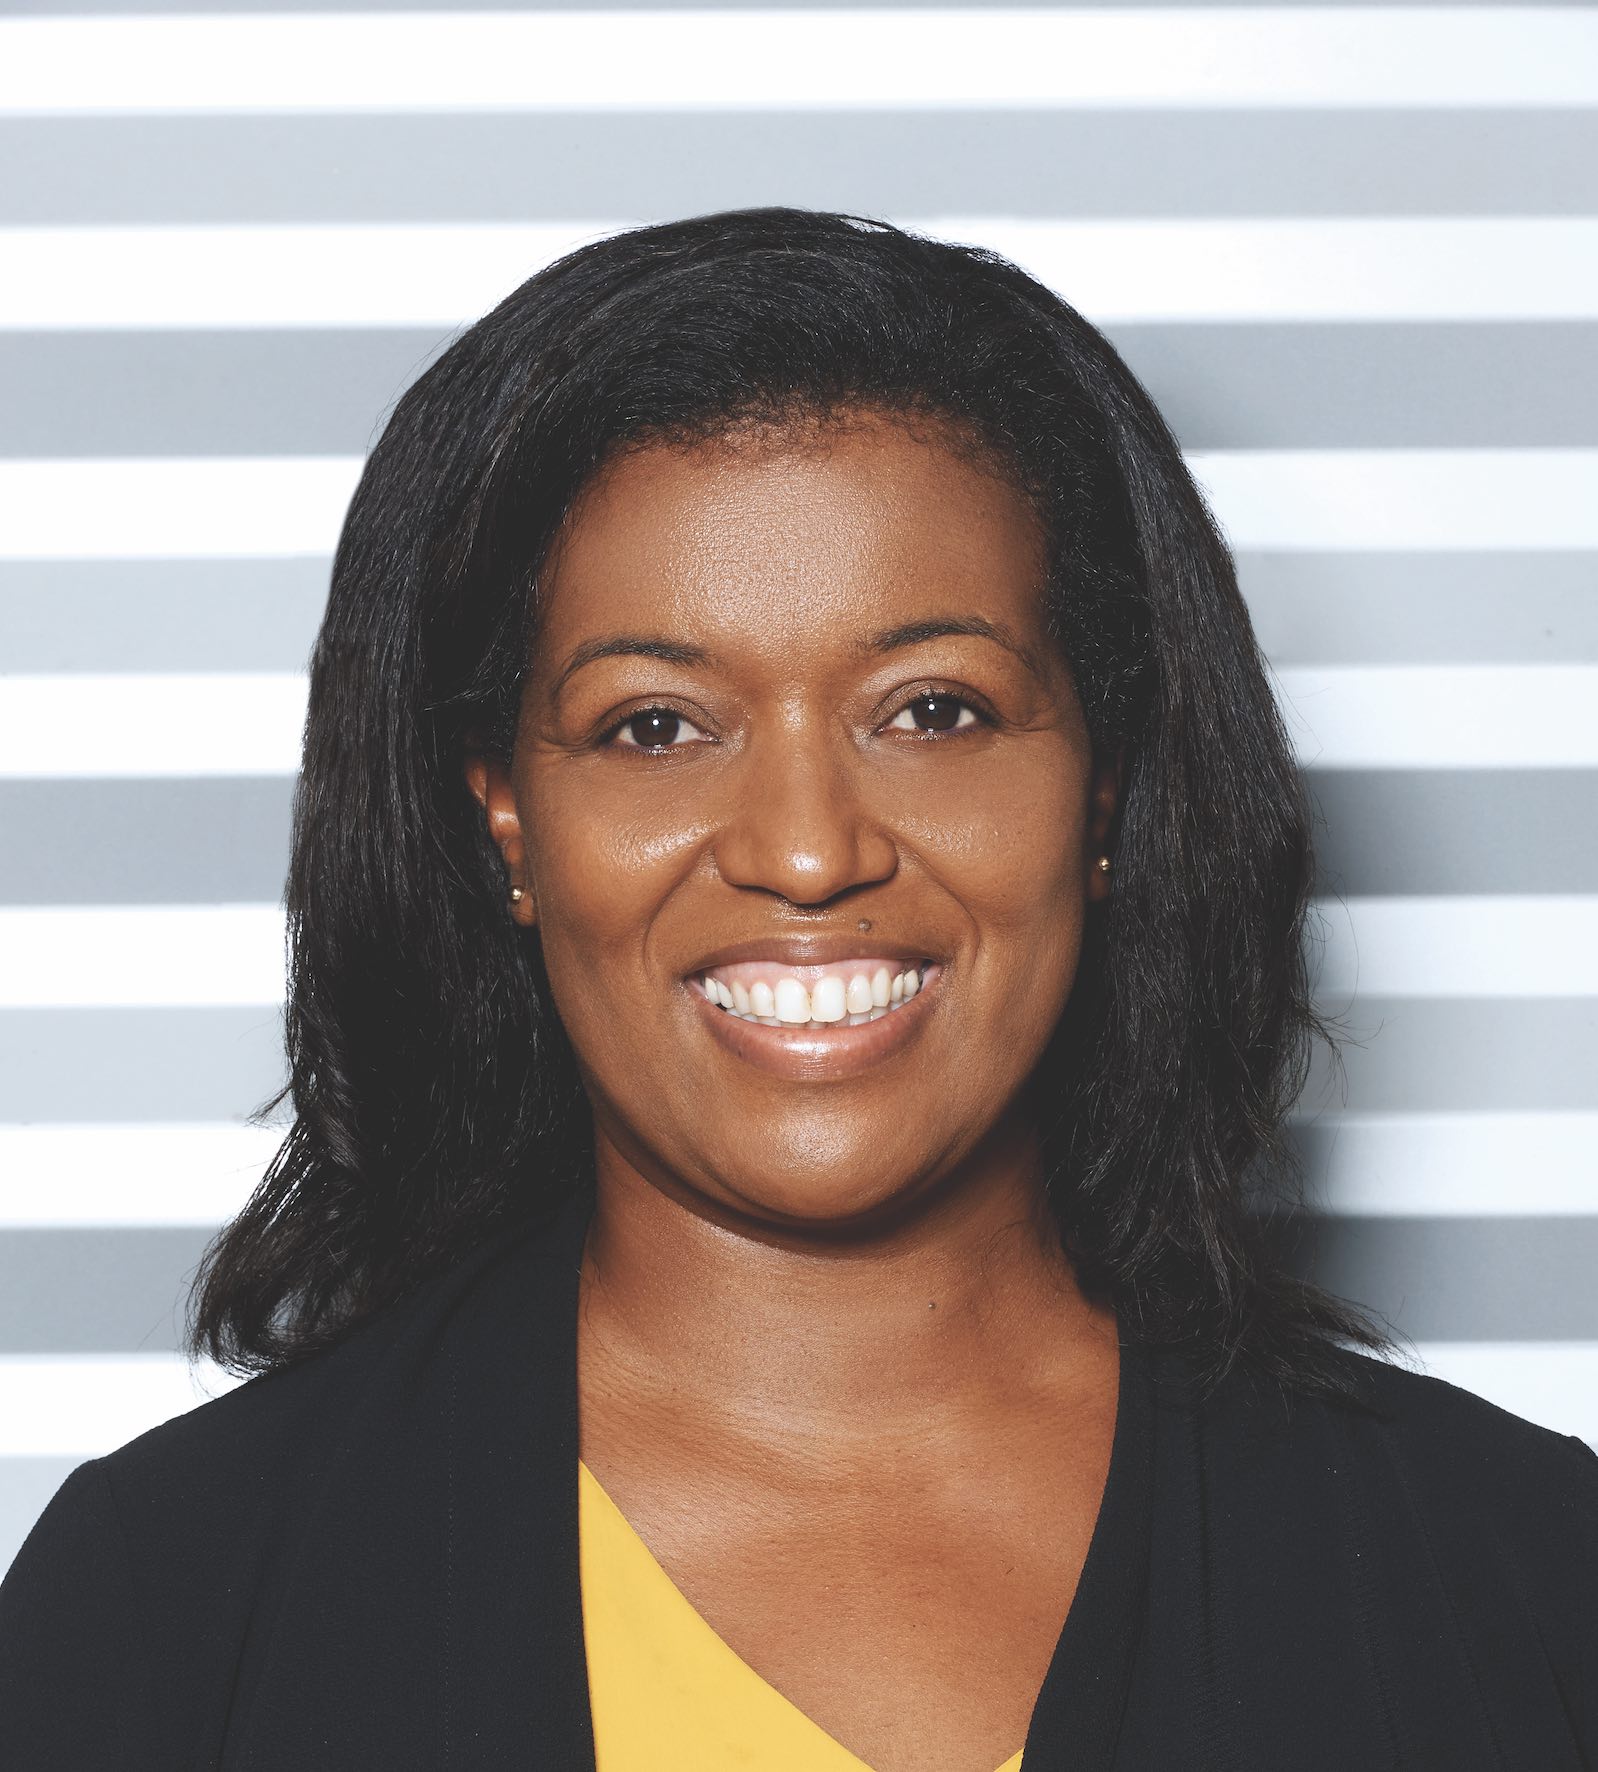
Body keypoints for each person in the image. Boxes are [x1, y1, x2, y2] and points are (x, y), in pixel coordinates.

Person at [0, 207, 1592, 1771]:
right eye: (654, 726)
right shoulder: (170, 1608)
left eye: (933, 710)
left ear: (1102, 787)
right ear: (507, 821)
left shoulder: (1525, 1584)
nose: (809, 851)